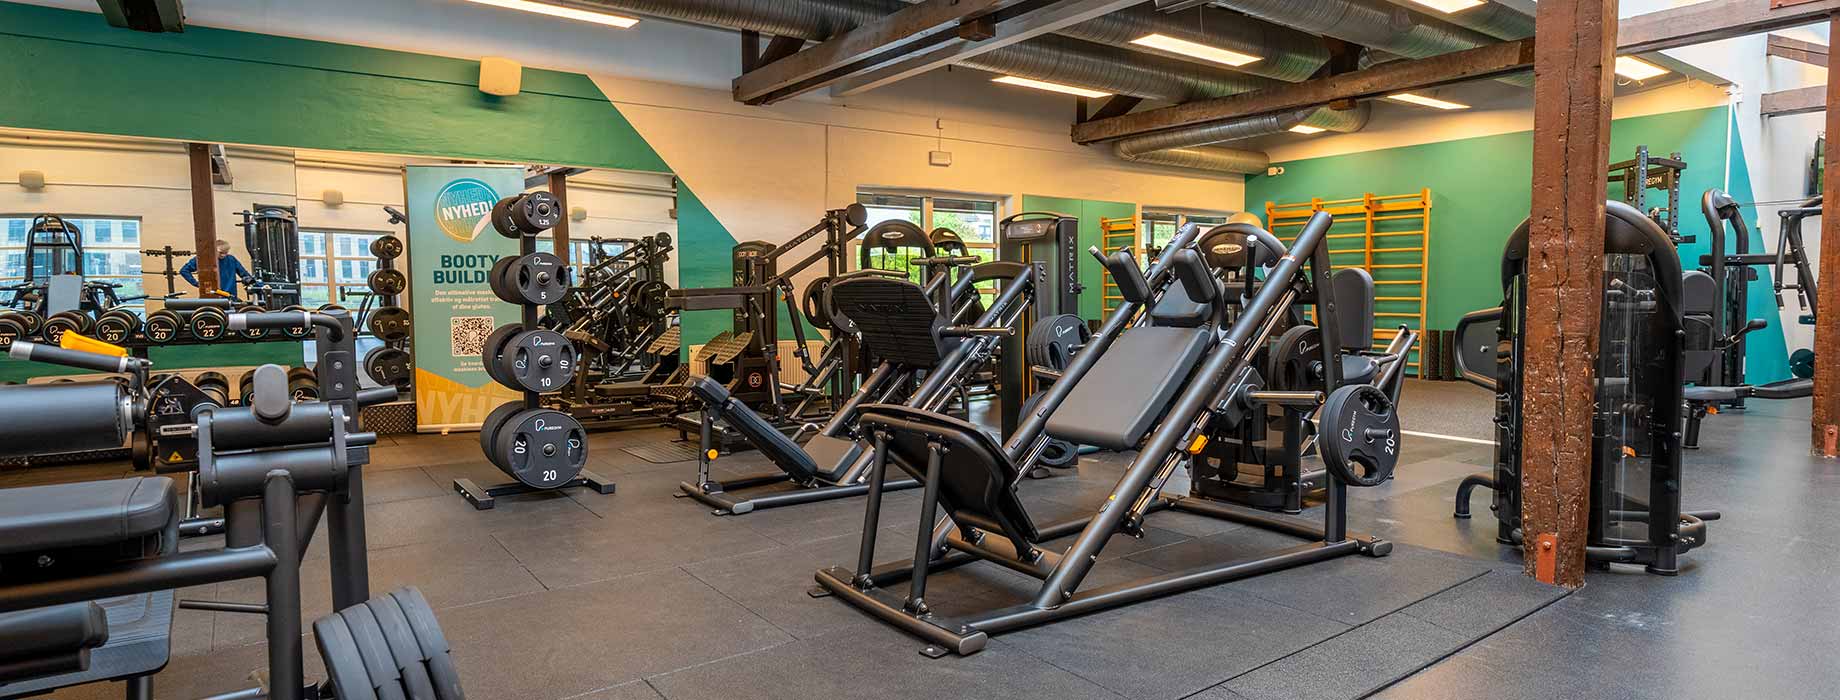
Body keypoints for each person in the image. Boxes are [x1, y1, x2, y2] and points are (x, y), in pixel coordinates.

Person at [181, 240, 258, 301]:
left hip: (229, 298)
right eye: (221, 253)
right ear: (213, 250)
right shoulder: (203, 259)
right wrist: (197, 284)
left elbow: (245, 274)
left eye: (226, 253)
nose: (223, 255)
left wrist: (255, 283)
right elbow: (184, 271)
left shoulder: (231, 259)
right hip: (210, 298)